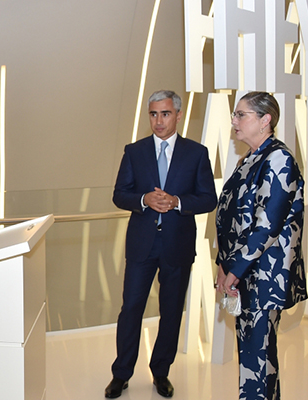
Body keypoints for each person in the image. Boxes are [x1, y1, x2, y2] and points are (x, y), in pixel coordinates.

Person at [106, 90, 217, 398]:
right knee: (131, 309)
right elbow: (119, 194)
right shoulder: (134, 151)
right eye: (153, 114)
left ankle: (161, 372)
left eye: (165, 114)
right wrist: (144, 199)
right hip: (141, 246)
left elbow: (208, 198)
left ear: (178, 115)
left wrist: (177, 202)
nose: (158, 120)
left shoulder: (196, 153)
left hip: (177, 246)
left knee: (171, 311)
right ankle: (121, 374)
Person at [215, 91, 307, 400]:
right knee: (255, 357)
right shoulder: (251, 158)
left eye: (241, 114)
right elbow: (231, 217)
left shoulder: (279, 159)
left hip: (265, 275)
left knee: (257, 359)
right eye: (235, 114)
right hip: (245, 272)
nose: (234, 120)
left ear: (265, 120)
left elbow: (267, 225)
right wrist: (223, 264)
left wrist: (235, 270)